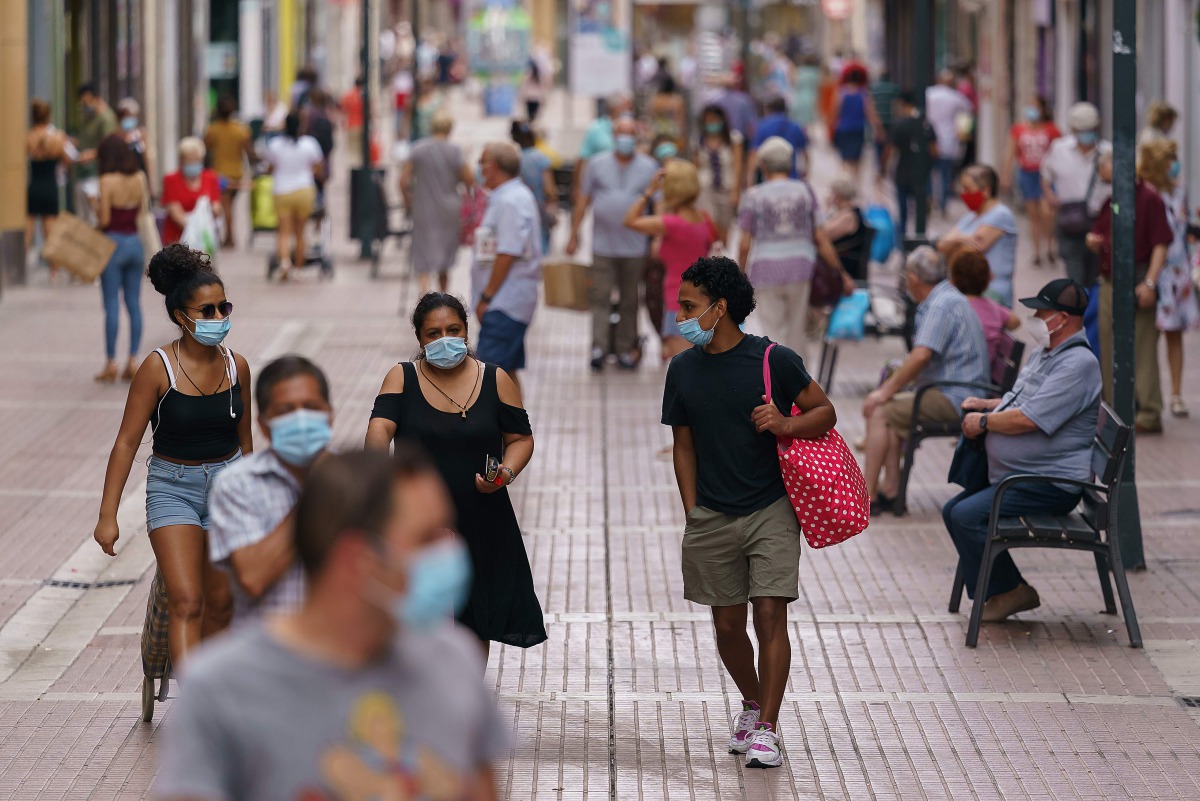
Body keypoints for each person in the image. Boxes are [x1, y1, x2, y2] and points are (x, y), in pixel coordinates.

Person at [155, 449, 511, 801]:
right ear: (359, 559)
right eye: (425, 539)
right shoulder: (220, 691)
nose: (448, 552)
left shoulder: (453, 663)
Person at [662, 256, 837, 769]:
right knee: (726, 626)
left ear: (720, 309)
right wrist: (693, 509)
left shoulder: (773, 359)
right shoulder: (682, 369)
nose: (681, 315)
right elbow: (683, 446)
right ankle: (753, 701)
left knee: (768, 612)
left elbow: (824, 411)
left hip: (771, 507)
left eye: (689, 306)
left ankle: (768, 728)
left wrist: (785, 424)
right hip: (712, 513)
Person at [93, 245, 251, 667]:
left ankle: (211, 699)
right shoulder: (156, 368)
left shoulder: (238, 367)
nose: (218, 319)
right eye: (206, 311)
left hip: (228, 488)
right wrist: (108, 515)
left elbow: (246, 440)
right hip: (172, 490)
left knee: (221, 604)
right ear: (181, 316)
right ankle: (190, 711)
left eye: (223, 308)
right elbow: (126, 442)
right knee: (186, 600)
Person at [366, 294, 547, 659]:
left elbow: (520, 439)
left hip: (482, 517)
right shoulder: (402, 377)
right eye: (433, 333)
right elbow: (379, 431)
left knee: (477, 617)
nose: (444, 339)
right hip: (419, 523)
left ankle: (466, 698)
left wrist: (505, 472)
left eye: (453, 330)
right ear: (419, 339)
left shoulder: (496, 379)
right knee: (416, 614)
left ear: (466, 331)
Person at [945, 279, 1100, 622]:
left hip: (1050, 482)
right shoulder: (1047, 354)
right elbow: (1021, 401)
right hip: (1021, 475)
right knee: (953, 509)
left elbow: (1030, 419)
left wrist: (983, 424)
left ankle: (1011, 591)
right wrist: (988, 404)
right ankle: (1003, 590)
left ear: (1062, 318)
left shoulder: (1077, 366)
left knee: (966, 516)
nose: (1033, 318)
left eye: (1040, 312)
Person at [861, 246, 988, 513]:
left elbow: (921, 356)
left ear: (915, 278)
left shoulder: (941, 304)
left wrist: (883, 393)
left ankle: (867, 495)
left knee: (881, 410)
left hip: (957, 397)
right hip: (954, 390)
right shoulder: (943, 297)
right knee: (892, 410)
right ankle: (890, 488)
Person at [208, 356, 333, 624]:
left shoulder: (360, 478)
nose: (301, 420)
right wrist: (316, 488)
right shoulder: (238, 484)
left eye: (311, 408)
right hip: (269, 654)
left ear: (329, 415)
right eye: (286, 411)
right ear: (264, 424)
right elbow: (253, 577)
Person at [737, 137, 853, 360]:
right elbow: (819, 236)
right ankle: (799, 384)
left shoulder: (754, 196)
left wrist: (741, 274)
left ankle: (774, 382)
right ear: (790, 164)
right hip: (800, 267)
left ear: (763, 166)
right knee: (797, 329)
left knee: (772, 331)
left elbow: (745, 243)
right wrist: (840, 272)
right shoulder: (804, 191)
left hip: (765, 268)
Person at [1087, 148, 1173, 433]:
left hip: (1138, 279)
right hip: (1111, 280)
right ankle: (1116, 410)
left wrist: (1150, 282)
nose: (1100, 171)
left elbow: (1161, 242)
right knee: (1109, 343)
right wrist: (1094, 241)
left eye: (1103, 165)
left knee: (1143, 346)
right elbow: (1100, 232)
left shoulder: (1150, 199)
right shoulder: (1112, 200)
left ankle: (1148, 411)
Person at [568, 117, 658, 370]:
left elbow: (657, 205)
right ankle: (598, 346)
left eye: (630, 134)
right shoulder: (596, 165)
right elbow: (583, 200)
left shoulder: (649, 166)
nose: (625, 139)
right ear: (614, 136)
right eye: (621, 134)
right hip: (602, 246)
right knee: (600, 298)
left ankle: (625, 348)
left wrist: (656, 238)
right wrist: (574, 235)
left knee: (631, 299)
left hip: (635, 247)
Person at [624, 159, 716, 360]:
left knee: (686, 370)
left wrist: (649, 191)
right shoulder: (703, 219)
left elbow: (629, 220)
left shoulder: (671, 224)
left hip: (679, 302)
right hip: (705, 299)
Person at [471, 142, 544, 384]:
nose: (480, 169)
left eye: (482, 163)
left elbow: (508, 252)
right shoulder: (510, 196)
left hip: (505, 302)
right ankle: (516, 422)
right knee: (506, 373)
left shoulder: (510, 201)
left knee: (489, 377)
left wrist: (487, 297)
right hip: (508, 300)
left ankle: (500, 423)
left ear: (492, 167)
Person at [1144, 139, 1198, 418]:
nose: (1174, 165)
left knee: (1175, 334)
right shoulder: (1148, 193)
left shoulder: (1179, 192)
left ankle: (1176, 394)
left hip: (1179, 272)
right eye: (1169, 160)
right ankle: (1147, 394)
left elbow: (1183, 224)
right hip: (1156, 271)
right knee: (1148, 336)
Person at [400, 110, 474, 295]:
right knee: (445, 253)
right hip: (449, 209)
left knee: (422, 250)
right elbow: (470, 180)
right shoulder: (455, 151)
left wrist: (408, 202)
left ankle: (423, 292)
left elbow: (403, 181)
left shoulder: (418, 149)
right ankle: (443, 294)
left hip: (423, 207)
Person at [94, 135, 148, 383]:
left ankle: (111, 362)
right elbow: (143, 211)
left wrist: (93, 206)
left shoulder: (106, 180)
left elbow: (104, 220)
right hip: (134, 243)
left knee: (112, 304)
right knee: (134, 303)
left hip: (113, 244)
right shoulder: (139, 177)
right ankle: (134, 359)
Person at [1041, 102, 1111, 288]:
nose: (1086, 133)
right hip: (1069, 221)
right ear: (1073, 128)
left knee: (1096, 276)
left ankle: (1091, 314)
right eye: (1082, 129)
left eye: (1090, 128)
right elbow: (1046, 175)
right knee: (1075, 276)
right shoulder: (1059, 149)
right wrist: (1050, 195)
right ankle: (1081, 312)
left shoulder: (1107, 152)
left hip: (1100, 222)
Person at [937, 164, 1019, 307]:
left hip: (992, 292)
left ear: (985, 190)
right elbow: (941, 247)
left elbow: (970, 252)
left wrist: (954, 242)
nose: (963, 194)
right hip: (968, 291)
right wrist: (961, 239)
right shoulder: (970, 217)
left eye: (968, 189)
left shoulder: (1001, 214)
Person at [262, 113, 324, 280]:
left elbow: (269, 168)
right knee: (300, 232)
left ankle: (284, 262)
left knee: (283, 231)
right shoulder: (309, 144)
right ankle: (298, 269)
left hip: (282, 190)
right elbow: (318, 167)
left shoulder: (274, 145)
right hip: (304, 189)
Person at [1001, 96, 1060, 268]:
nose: (1031, 110)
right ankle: (1037, 252)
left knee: (1047, 213)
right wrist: (1006, 174)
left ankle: (1049, 246)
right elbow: (1010, 152)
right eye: (1029, 106)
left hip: (1046, 175)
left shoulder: (1051, 129)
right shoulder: (1018, 129)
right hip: (1027, 174)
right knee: (1033, 216)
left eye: (1035, 106)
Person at [948, 246, 1021, 366]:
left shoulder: (952, 308)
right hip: (984, 375)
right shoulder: (993, 308)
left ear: (953, 281)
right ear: (988, 279)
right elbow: (1016, 321)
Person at [204, 95, 256, 249]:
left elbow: (204, 149)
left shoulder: (212, 130)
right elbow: (249, 152)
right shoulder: (241, 130)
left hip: (219, 174)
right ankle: (227, 236)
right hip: (237, 174)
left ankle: (230, 238)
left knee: (225, 206)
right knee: (229, 206)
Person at [26, 99, 69, 281]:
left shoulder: (28, 136)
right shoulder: (58, 137)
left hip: (34, 184)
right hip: (50, 185)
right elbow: (67, 160)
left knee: (27, 230)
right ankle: (54, 270)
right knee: (50, 231)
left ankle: (19, 267)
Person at [886, 91, 936, 242]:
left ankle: (902, 241)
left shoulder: (899, 124)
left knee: (902, 212)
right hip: (921, 173)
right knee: (922, 208)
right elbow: (934, 150)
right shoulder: (925, 124)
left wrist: (884, 169)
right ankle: (920, 237)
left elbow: (891, 150)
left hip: (902, 172)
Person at [694, 105, 745, 245]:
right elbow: (696, 166)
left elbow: (738, 165)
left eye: (714, 120)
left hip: (726, 188)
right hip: (706, 188)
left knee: (725, 229)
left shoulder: (734, 139)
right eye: (708, 120)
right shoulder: (699, 141)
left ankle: (722, 260)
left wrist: (736, 191)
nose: (712, 124)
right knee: (711, 226)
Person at [924, 70, 973, 215]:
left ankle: (929, 199)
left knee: (928, 174)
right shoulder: (956, 97)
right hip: (947, 141)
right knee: (945, 175)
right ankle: (943, 204)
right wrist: (963, 130)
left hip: (928, 140)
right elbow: (969, 110)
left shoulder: (928, 94)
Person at [161, 137, 222, 246]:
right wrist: (195, 228)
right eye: (189, 160)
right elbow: (175, 211)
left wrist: (208, 211)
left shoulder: (210, 178)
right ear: (181, 160)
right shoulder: (171, 180)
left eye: (196, 160)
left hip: (204, 241)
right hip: (176, 241)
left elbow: (216, 206)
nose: (193, 163)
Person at [73, 83, 119, 224]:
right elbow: (84, 140)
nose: (84, 105)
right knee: (83, 217)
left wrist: (91, 155)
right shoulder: (87, 118)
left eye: (87, 102)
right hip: (83, 172)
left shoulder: (106, 118)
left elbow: (109, 146)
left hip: (96, 173)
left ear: (96, 99)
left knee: (94, 216)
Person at [512, 120, 557, 256]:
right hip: (539, 209)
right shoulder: (540, 159)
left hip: (518, 210)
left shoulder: (515, 159)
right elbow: (549, 189)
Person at [830, 64, 882, 178]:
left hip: (843, 129)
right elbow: (871, 114)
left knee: (844, 160)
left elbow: (834, 112)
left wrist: (832, 129)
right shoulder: (864, 94)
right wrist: (878, 130)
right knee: (856, 160)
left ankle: (845, 184)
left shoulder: (841, 93)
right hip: (858, 130)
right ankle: (854, 183)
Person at [748, 96, 808, 182]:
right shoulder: (796, 126)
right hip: (791, 177)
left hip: (768, 179)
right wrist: (806, 171)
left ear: (769, 109)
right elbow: (805, 152)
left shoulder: (762, 126)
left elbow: (754, 154)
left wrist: (750, 177)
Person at [823, 177, 870, 282]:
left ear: (838, 195)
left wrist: (825, 210)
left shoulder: (849, 216)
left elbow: (824, 234)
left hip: (845, 264)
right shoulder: (842, 213)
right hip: (842, 259)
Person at [869, 68, 901, 177]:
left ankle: (880, 166)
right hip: (891, 121)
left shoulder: (874, 88)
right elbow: (897, 105)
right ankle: (886, 165)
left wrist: (875, 121)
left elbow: (872, 106)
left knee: (878, 144)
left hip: (879, 121)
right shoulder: (894, 88)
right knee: (890, 144)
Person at [116, 97, 153, 186]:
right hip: (122, 178)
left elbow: (146, 157)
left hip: (138, 175)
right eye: (126, 115)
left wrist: (149, 181)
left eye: (132, 115)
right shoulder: (116, 136)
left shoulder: (141, 134)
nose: (129, 118)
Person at [648, 74, 686, 146]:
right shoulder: (677, 100)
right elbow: (680, 119)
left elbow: (651, 115)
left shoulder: (655, 99)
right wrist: (681, 134)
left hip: (657, 129)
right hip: (672, 131)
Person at [789, 55, 821, 129]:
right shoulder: (817, 73)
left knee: (799, 125)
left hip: (798, 99)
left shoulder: (798, 71)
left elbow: (792, 83)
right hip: (813, 100)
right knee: (811, 127)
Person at [518, 56, 548, 123]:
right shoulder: (539, 75)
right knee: (534, 117)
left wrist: (521, 96)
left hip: (529, 98)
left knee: (529, 117)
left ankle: (530, 128)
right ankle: (532, 128)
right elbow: (542, 88)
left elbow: (524, 87)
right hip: (536, 98)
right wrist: (543, 98)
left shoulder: (528, 75)